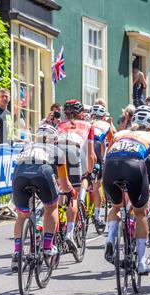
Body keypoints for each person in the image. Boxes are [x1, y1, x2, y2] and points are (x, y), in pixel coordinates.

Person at [103, 106, 150, 275]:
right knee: (140, 213)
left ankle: (110, 240)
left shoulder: (118, 134)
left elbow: (107, 157)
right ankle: (141, 262)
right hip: (134, 166)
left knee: (116, 207)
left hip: (110, 167)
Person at [10, 124, 75, 272]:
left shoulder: (26, 147)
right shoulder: (57, 150)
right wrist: (71, 192)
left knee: (21, 215)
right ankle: (47, 246)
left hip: (20, 175)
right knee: (51, 206)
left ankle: (17, 251)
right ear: (54, 139)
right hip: (43, 173)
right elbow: (64, 183)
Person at [56, 99, 96, 252]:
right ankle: (70, 233)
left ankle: (50, 223)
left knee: (59, 191)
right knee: (73, 195)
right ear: (81, 113)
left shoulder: (59, 124)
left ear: (65, 113)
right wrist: (89, 173)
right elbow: (91, 154)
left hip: (56, 153)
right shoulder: (88, 125)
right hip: (73, 152)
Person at [90, 104, 115, 227]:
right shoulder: (106, 125)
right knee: (97, 184)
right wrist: (106, 158)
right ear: (104, 116)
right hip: (95, 147)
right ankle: (97, 215)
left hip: (82, 148)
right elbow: (112, 142)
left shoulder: (87, 123)